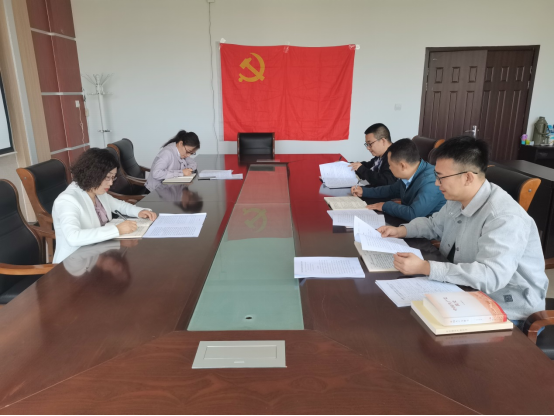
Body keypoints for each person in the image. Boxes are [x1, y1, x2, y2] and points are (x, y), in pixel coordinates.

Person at [378, 136, 549, 324]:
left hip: (507, 308)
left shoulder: (504, 217)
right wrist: (401, 231)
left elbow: (490, 276)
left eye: (441, 177)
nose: (436, 183)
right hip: (465, 289)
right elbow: (434, 224)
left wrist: (425, 267)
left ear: (467, 177)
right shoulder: (457, 198)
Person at [52, 148, 158, 264]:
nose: (111, 183)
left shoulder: (95, 191)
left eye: (113, 177)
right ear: (93, 173)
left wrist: (140, 211)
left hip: (98, 254)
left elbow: (119, 205)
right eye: (108, 177)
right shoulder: (67, 200)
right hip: (73, 264)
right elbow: (73, 237)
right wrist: (117, 230)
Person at [351, 138, 446, 221]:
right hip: (410, 224)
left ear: (402, 166)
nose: (389, 168)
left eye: (390, 165)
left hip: (428, 231)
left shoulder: (431, 182)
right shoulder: (412, 172)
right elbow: (391, 190)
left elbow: (413, 214)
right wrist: (364, 191)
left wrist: (385, 205)